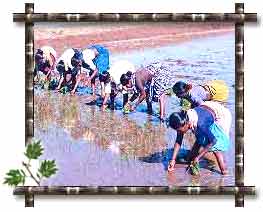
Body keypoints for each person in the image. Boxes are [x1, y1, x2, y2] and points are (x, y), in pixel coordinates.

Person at [167, 101, 231, 175]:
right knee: (200, 136)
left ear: (186, 124)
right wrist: (173, 160)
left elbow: (213, 141)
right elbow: (178, 141)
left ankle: (224, 171)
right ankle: (191, 157)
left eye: (179, 130)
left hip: (221, 115)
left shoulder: (200, 124)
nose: (179, 132)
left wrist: (198, 158)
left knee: (215, 148)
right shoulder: (182, 119)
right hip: (207, 109)